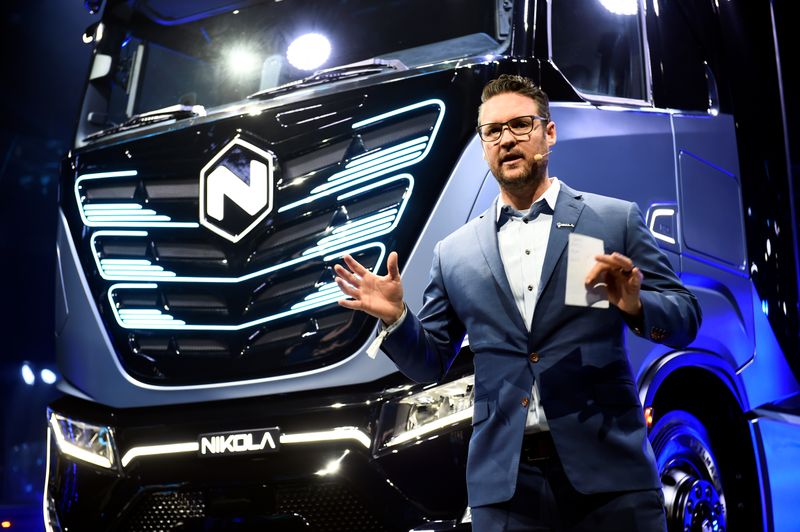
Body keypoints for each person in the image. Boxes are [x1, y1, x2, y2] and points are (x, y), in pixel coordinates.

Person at [334, 74, 701, 531]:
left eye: (521, 125)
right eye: (493, 131)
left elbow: (685, 318)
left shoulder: (612, 218)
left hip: (610, 477)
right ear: (483, 145)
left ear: (549, 132)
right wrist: (397, 319)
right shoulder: (455, 253)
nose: (507, 139)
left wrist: (635, 305)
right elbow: (431, 364)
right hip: (506, 490)